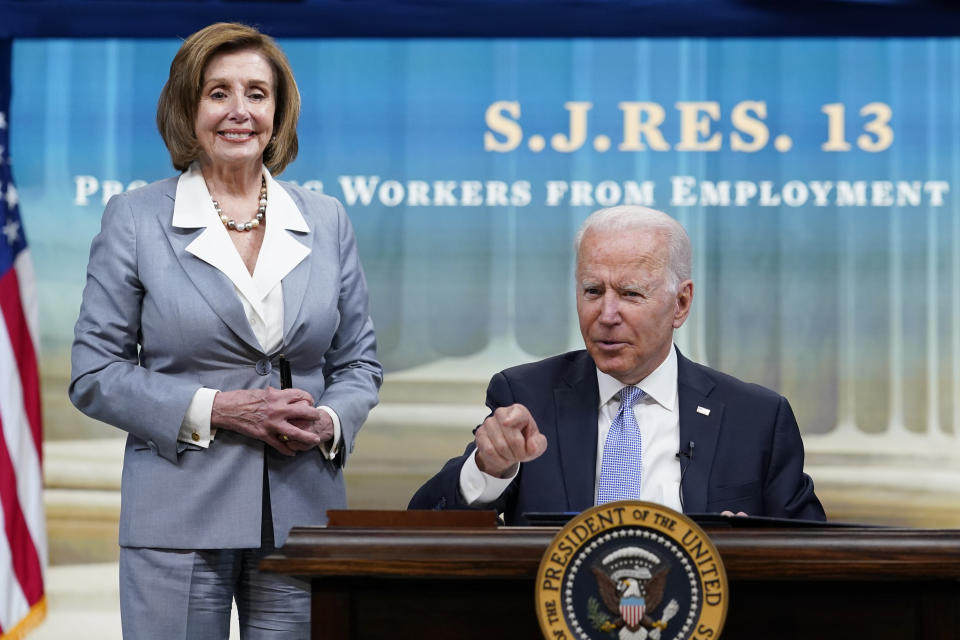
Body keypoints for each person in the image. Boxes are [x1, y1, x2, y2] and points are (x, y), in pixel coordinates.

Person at [69, 22, 382, 638]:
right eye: (219, 93)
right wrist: (217, 409)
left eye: (257, 94)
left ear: (279, 110)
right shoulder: (135, 219)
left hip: (302, 516)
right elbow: (94, 372)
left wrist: (331, 421)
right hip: (177, 518)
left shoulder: (325, 219)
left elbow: (359, 365)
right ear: (189, 107)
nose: (240, 111)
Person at [409, 205, 824, 524]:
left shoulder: (754, 419)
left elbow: (814, 562)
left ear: (680, 303)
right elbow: (423, 524)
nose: (606, 314)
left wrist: (751, 550)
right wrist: (488, 469)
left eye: (629, 294)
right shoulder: (527, 398)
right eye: (592, 290)